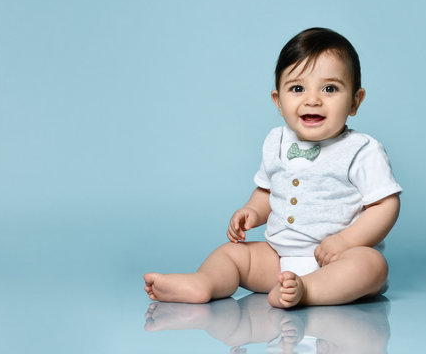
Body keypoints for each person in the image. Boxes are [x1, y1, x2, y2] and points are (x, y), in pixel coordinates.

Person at [144, 27, 402, 308]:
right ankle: (203, 283)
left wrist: (345, 241)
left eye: (330, 88)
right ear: (278, 101)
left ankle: (308, 290)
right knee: (232, 254)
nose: (312, 99)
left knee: (372, 265)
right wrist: (252, 211)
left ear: (355, 101)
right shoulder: (275, 141)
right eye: (297, 88)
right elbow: (267, 190)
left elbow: (385, 205)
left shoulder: (362, 150)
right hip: (277, 259)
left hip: (337, 261)